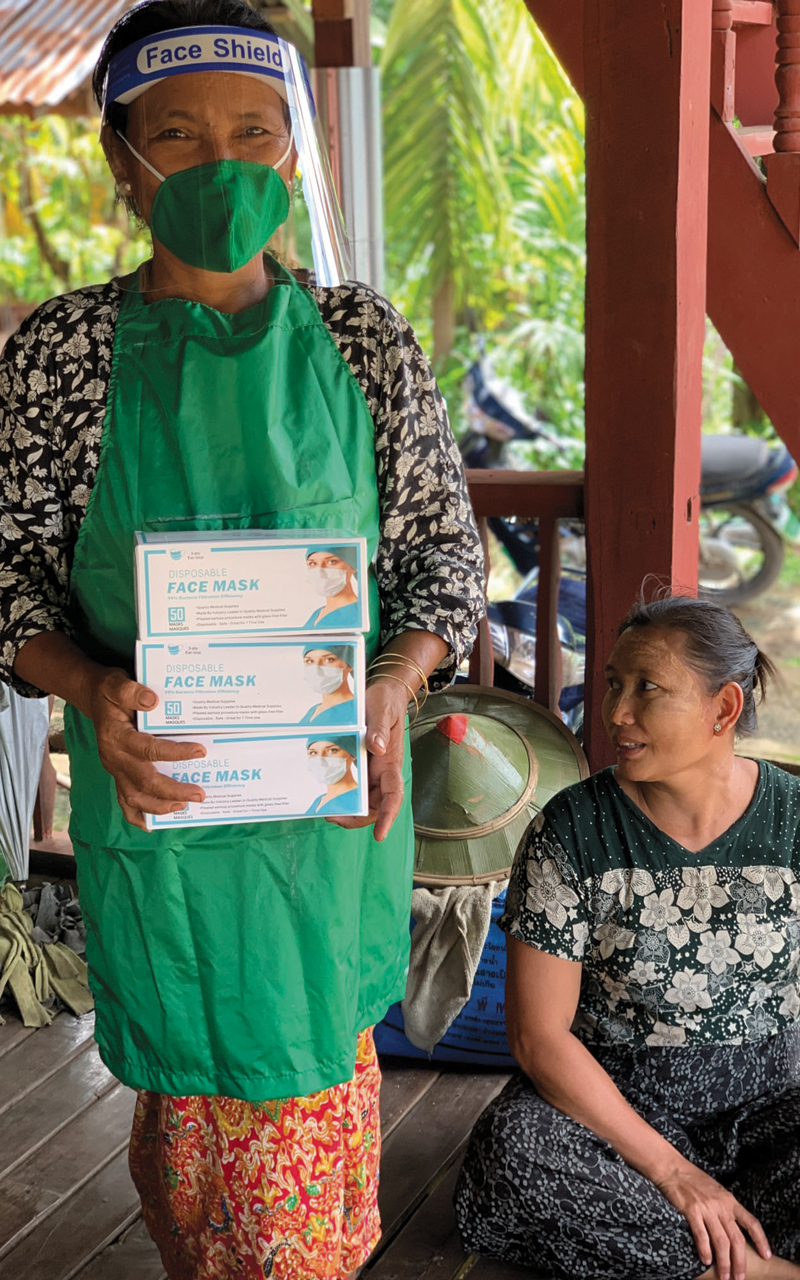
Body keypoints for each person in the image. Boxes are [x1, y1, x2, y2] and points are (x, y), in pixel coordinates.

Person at [0, 2, 484, 1276]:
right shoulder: (62, 351)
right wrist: (87, 683)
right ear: (122, 159)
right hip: (156, 789)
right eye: (178, 134)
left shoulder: (362, 339)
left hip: (325, 807)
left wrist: (387, 685)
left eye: (252, 132)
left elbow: (441, 559)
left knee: (297, 1092)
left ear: (290, 150)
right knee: (185, 1121)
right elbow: (5, 580)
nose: (219, 161)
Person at [455, 595, 800, 1280]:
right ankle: (759, 1270)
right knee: (517, 1150)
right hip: (619, 1121)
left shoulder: (793, 819)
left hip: (770, 1110)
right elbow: (538, 1038)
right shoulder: (571, 830)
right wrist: (672, 1173)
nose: (615, 713)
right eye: (613, 683)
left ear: (722, 710)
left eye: (648, 689)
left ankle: (688, 1259)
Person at [305, 547, 361, 629]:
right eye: (313, 564)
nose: (320, 572)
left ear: (353, 566)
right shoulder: (318, 613)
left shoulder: (359, 614)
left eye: (332, 562)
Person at [299, 645, 356, 726]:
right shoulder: (314, 710)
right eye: (309, 661)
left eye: (329, 660)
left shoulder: (354, 712)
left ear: (350, 664)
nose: (316, 669)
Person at [306, 737, 359, 816]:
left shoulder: (360, 800)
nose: (320, 761)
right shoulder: (319, 800)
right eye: (313, 753)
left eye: (332, 750)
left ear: (352, 754)